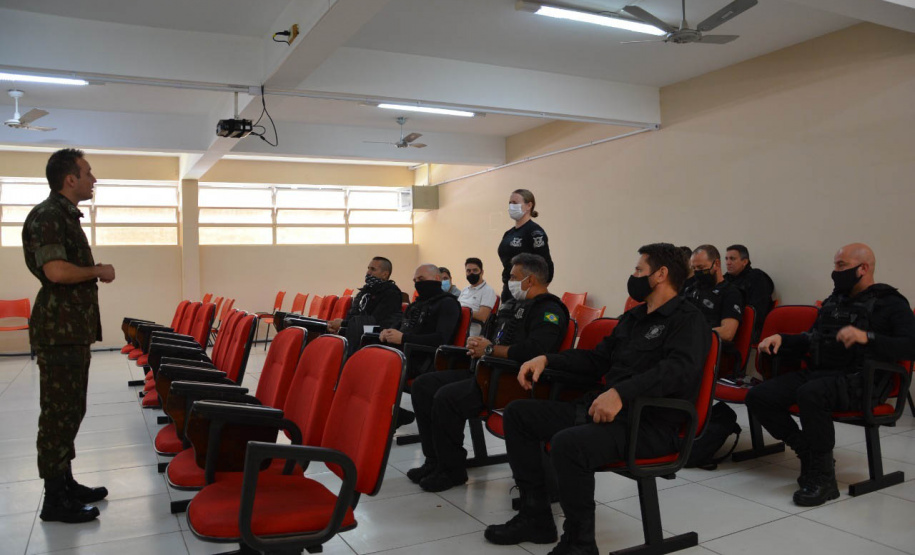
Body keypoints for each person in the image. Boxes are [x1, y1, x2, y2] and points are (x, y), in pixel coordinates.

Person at [483, 243, 709, 554]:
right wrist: (547, 360)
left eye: (639, 270)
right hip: (606, 411)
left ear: (660, 274)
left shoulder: (688, 319)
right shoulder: (634, 317)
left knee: (568, 444)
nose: (634, 276)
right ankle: (535, 517)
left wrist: (621, 393)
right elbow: (596, 360)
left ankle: (580, 544)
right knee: (519, 414)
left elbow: (678, 371)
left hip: (650, 424)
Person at [746, 243, 915, 507]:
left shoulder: (891, 303)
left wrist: (867, 337)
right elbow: (812, 338)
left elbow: (910, 345)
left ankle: (824, 479)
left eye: (841, 265)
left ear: (864, 268)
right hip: (822, 374)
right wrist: (783, 339)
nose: (835, 272)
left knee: (811, 394)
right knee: (759, 395)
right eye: (835, 265)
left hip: (863, 381)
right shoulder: (835, 300)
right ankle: (808, 452)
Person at [408, 254, 568, 493]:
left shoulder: (549, 310)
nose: (509, 281)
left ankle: (452, 469)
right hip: (488, 373)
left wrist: (491, 349)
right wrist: (482, 344)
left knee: (446, 397)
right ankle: (435, 460)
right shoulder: (515, 306)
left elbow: (536, 350)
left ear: (530, 280)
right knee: (423, 385)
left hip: (510, 381)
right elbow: (501, 340)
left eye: (513, 277)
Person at [22, 149, 115, 523]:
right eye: (88, 173)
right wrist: (97, 270)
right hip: (58, 331)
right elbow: (57, 272)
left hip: (69, 331)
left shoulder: (63, 215)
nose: (94, 179)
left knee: (70, 409)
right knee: (58, 414)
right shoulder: (49, 216)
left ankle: (65, 482)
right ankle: (54, 499)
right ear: (70, 179)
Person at [325, 257, 402, 353]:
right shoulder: (364, 293)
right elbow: (352, 316)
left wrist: (344, 324)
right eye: (368, 268)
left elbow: (374, 322)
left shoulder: (391, 294)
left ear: (385, 274)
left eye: (373, 269)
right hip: (357, 331)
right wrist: (340, 327)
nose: (368, 272)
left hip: (376, 333)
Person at [497, 189, 553, 301]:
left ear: (529, 205)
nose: (512, 206)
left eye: (515, 203)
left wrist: (538, 290)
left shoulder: (535, 232)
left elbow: (546, 265)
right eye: (510, 203)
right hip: (509, 287)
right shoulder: (509, 234)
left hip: (526, 290)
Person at [684, 245, 742, 343]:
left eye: (701, 267)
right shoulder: (691, 289)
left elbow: (728, 333)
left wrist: (692, 333)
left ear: (717, 264)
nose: (697, 272)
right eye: (694, 268)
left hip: (710, 348)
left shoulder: (730, 293)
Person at [724, 244, 775, 342]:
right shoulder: (725, 279)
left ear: (744, 262)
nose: (728, 263)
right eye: (726, 259)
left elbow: (757, 311)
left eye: (732, 259)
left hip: (749, 328)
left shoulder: (757, 278)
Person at [456, 257, 498, 337]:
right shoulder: (465, 290)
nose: (471, 273)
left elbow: (482, 316)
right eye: (468, 271)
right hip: (457, 325)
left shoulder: (488, 291)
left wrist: (460, 311)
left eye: (475, 270)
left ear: (482, 272)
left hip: (471, 331)